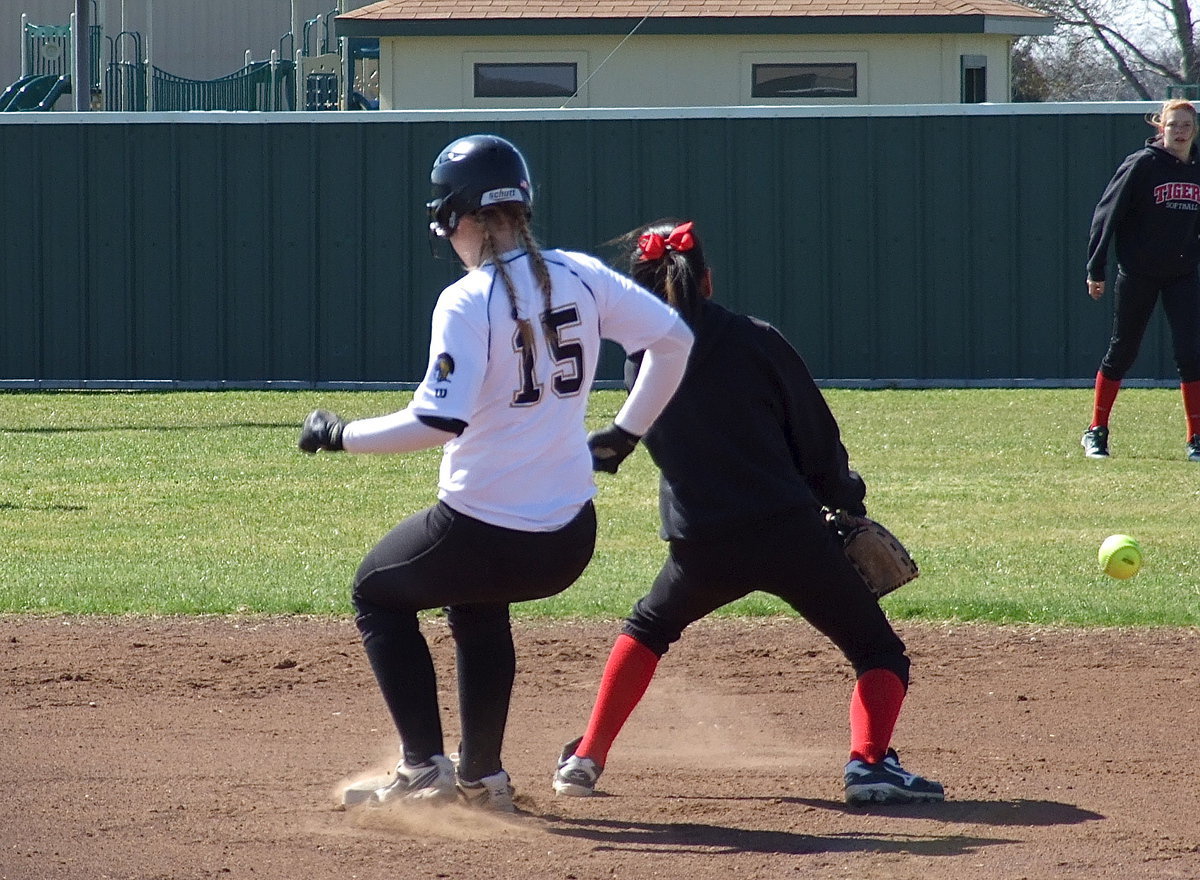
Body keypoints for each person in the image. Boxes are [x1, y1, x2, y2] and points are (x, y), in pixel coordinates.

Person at [298, 135, 693, 813]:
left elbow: (437, 421)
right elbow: (675, 342)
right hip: (567, 540)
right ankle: (482, 779)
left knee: (376, 593)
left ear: (458, 217)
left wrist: (340, 435)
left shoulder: (467, 299)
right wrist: (626, 433)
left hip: (482, 530)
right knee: (476, 603)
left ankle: (424, 771)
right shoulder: (580, 273)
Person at [552, 219, 943, 805]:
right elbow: (816, 440)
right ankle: (869, 766)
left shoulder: (641, 361)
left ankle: (586, 758)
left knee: (648, 629)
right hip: (789, 535)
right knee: (878, 652)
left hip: (700, 545)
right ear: (707, 280)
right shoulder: (757, 340)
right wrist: (847, 501)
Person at [1082, 98, 1200, 462]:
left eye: (1186, 125)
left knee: (1191, 353)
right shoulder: (1142, 164)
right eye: (1173, 125)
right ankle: (1096, 431)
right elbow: (1107, 214)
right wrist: (1096, 267)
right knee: (1123, 351)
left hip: (1183, 274)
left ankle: (1196, 438)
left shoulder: (1197, 169)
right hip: (1139, 272)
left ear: (1195, 130)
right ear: (1160, 127)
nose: (1180, 132)